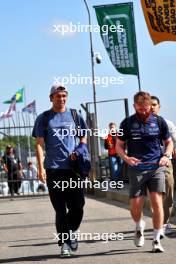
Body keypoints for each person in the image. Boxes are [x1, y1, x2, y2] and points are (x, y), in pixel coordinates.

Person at [32, 84, 88, 257]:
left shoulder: (74, 115)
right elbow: (40, 145)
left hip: (73, 170)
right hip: (54, 169)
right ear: (51, 98)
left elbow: (83, 136)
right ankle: (64, 243)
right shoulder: (44, 118)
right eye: (58, 96)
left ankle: (70, 232)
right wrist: (40, 169)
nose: (61, 99)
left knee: (78, 206)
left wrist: (79, 150)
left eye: (64, 96)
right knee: (60, 209)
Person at [116, 91, 173, 253]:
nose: (144, 111)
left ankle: (156, 240)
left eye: (147, 108)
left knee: (157, 203)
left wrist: (166, 155)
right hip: (137, 169)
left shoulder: (159, 121)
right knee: (136, 207)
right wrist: (127, 159)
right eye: (140, 109)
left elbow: (169, 143)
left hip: (156, 167)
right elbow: (118, 146)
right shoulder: (126, 123)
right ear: (134, 106)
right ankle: (139, 224)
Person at [151, 95, 176, 235]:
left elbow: (175, 140)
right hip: (148, 164)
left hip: (166, 163)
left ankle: (164, 222)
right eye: (150, 105)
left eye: (155, 104)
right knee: (155, 195)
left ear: (159, 107)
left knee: (168, 191)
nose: (152, 107)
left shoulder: (168, 124)